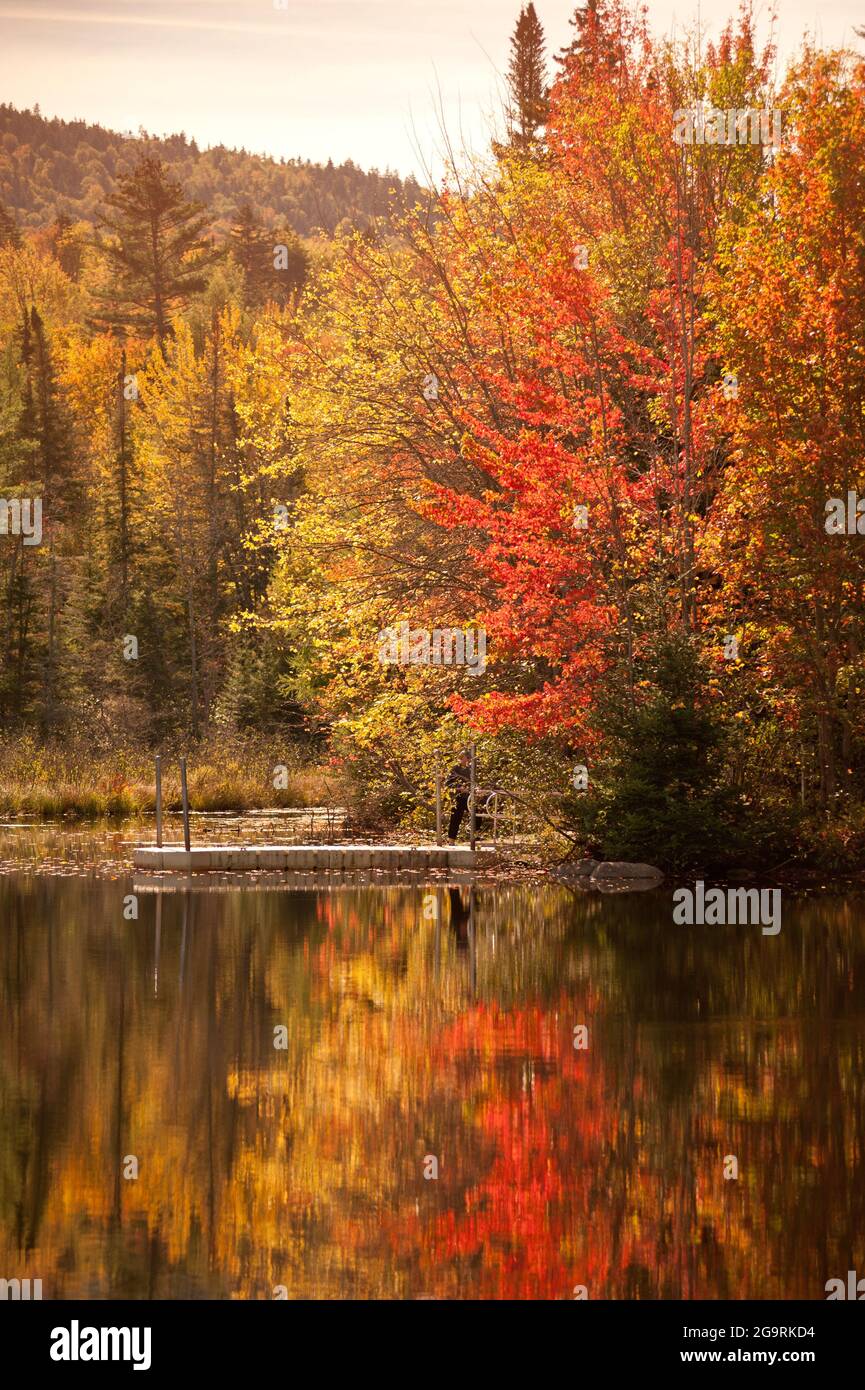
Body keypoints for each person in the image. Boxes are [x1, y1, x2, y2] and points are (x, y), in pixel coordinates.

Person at [445, 748, 473, 843]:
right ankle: (451, 840)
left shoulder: (471, 769)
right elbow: (448, 783)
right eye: (466, 757)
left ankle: (472, 833)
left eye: (469, 757)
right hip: (458, 797)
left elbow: (477, 782)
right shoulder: (455, 768)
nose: (467, 759)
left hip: (470, 797)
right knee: (455, 818)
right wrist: (460, 787)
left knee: (477, 813)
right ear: (461, 758)